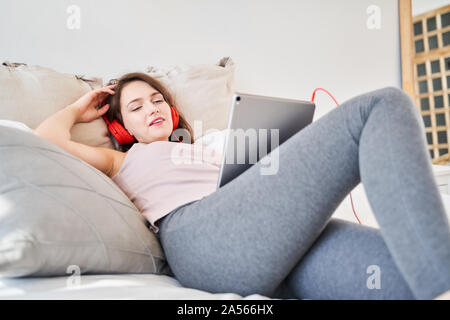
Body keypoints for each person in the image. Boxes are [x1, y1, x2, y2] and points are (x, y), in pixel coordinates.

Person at [34, 72, 450, 300]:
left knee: (402, 278)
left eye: (157, 100)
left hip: (264, 246)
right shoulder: (124, 159)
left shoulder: (214, 147)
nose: (151, 109)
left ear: (174, 111)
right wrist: (77, 108)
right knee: (382, 105)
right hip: (200, 239)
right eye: (136, 107)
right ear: (123, 128)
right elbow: (47, 139)